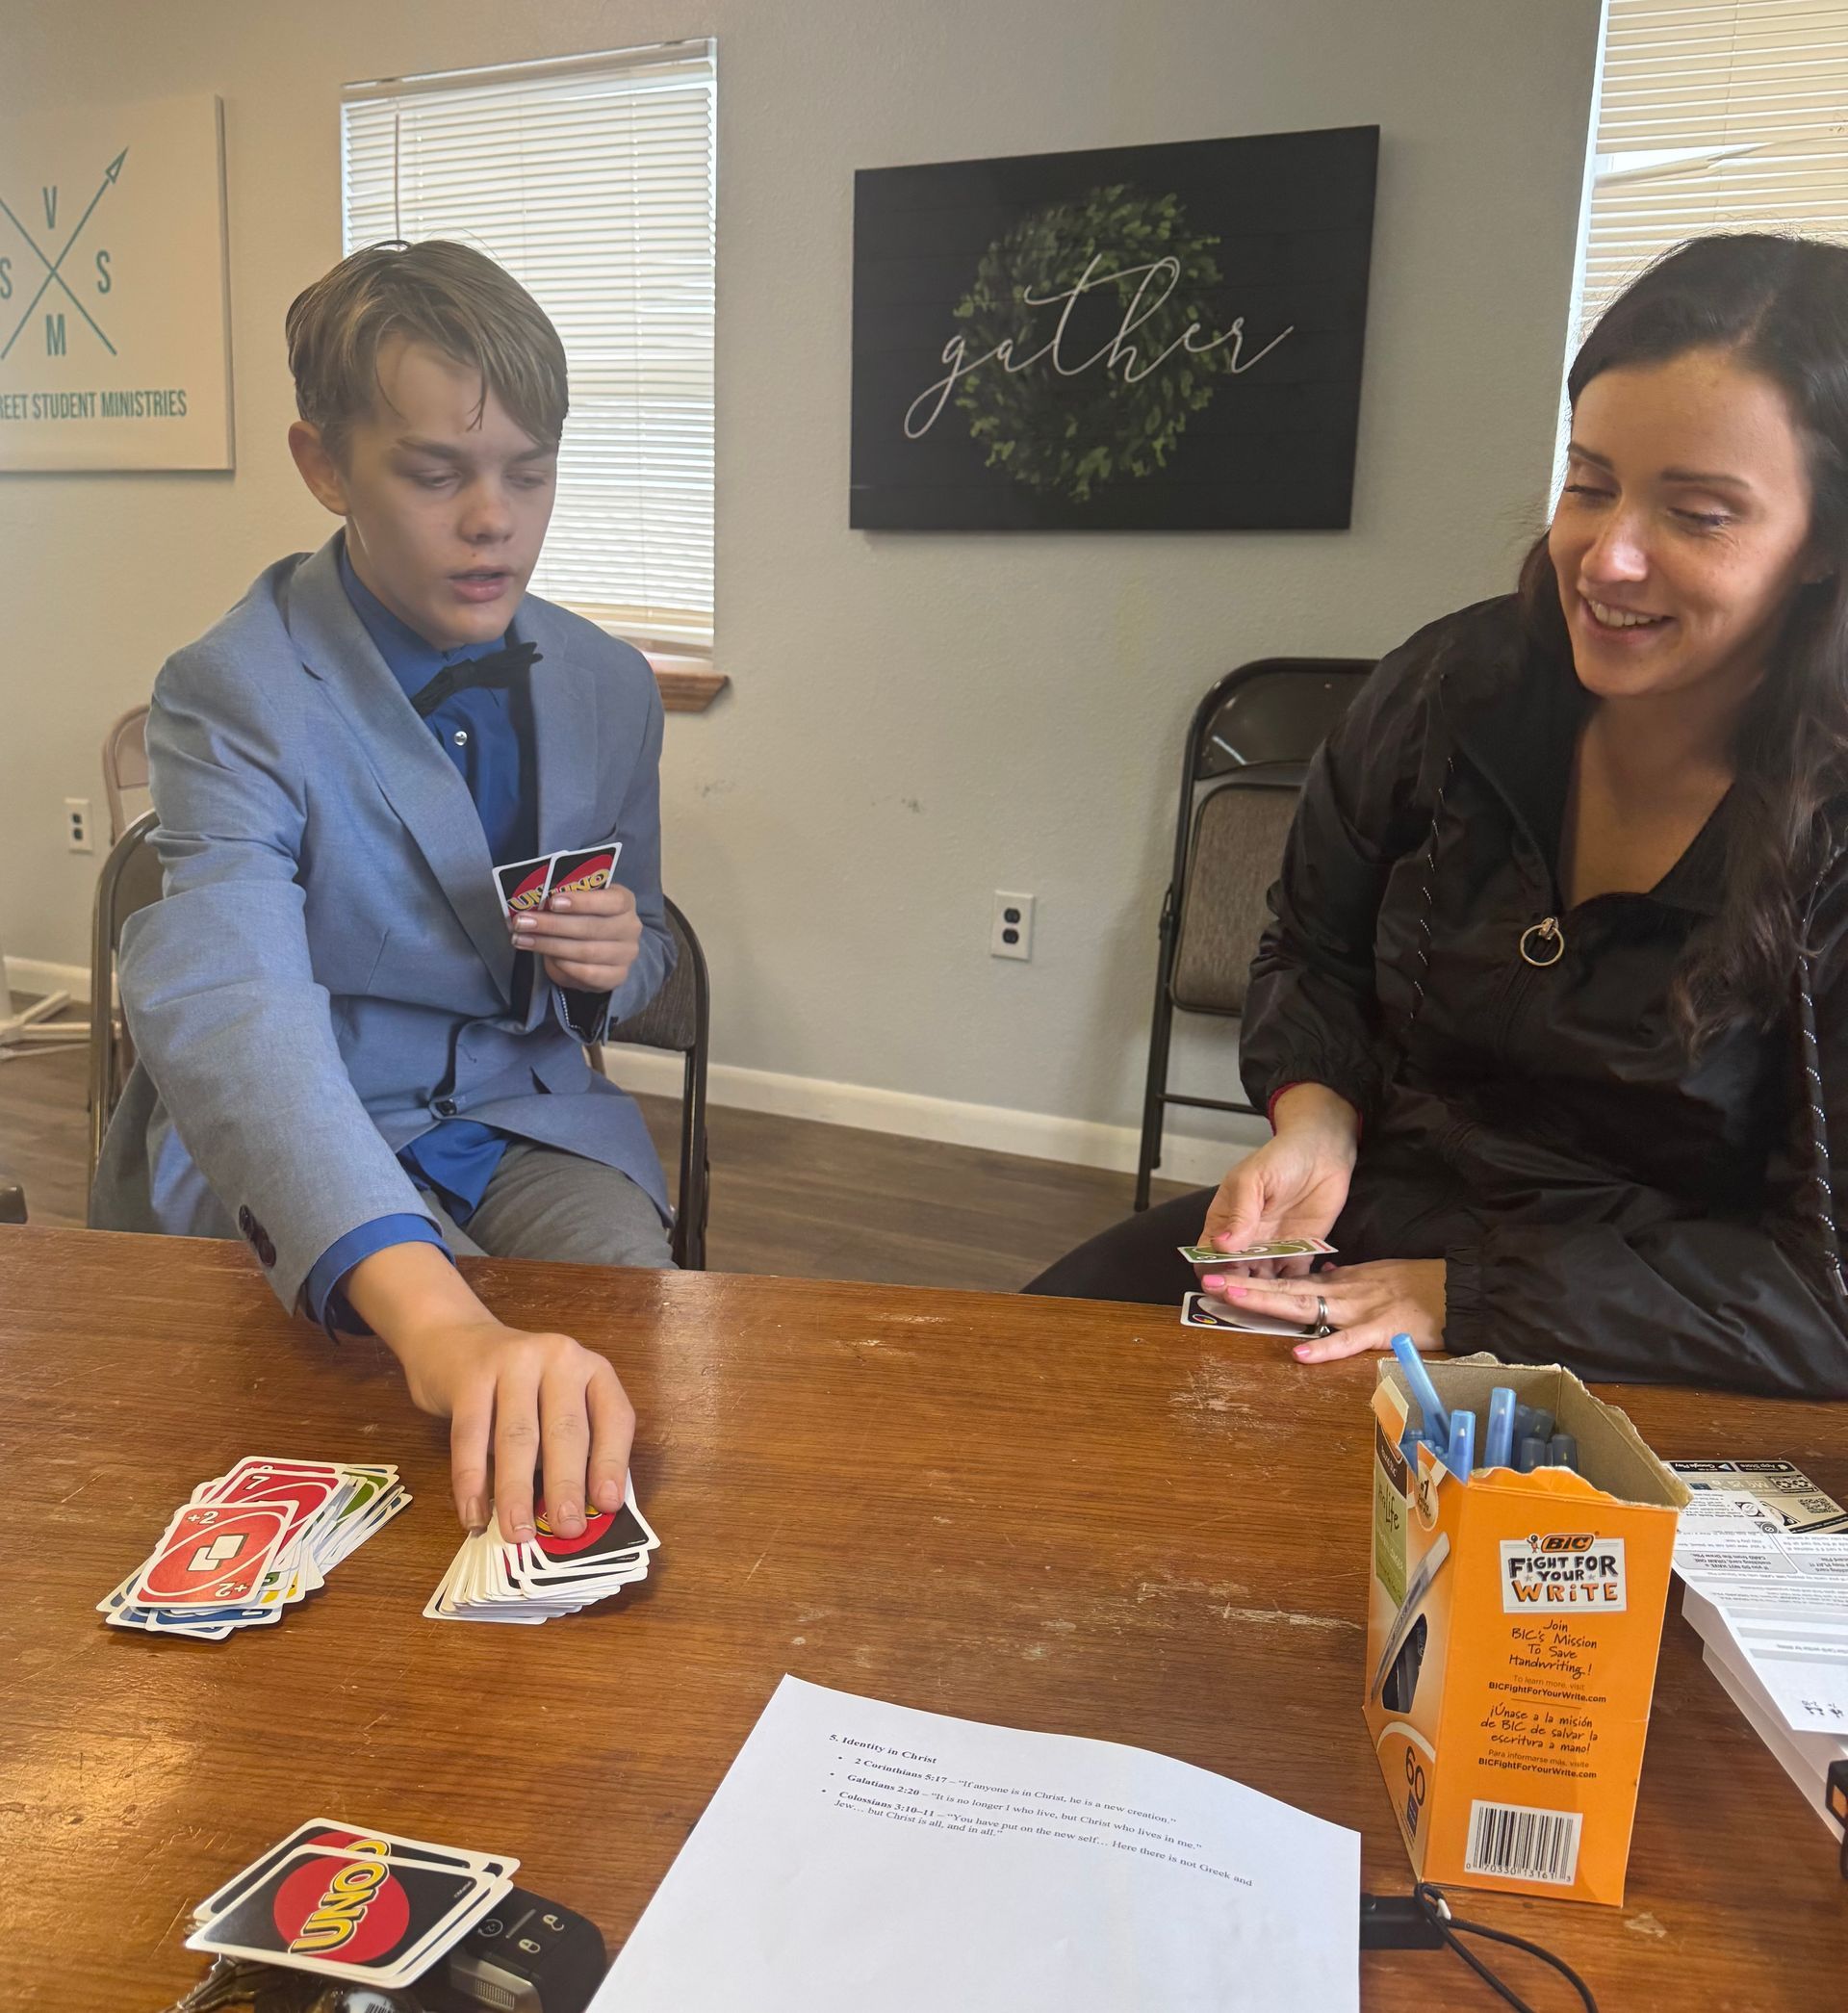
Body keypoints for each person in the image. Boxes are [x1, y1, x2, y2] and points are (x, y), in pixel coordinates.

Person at [1028, 233, 1848, 1400]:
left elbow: (1826, 1302)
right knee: (998, 1389)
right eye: (1590, 483)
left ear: (1823, 548)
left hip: (1660, 1339)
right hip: (1365, 1241)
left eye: (1700, 513)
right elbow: (1312, 947)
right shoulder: (1451, 689)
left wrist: (1468, 1294)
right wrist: (1316, 1121)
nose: (1607, 558)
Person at [90, 241, 675, 1537]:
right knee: (363, 1421)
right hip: (311, 1114)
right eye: (435, 472)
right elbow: (232, 1002)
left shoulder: (608, 684)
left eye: (531, 472)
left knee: (635, 1359)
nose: (496, 519)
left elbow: (649, 950)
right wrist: (445, 1319)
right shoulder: (233, 687)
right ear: (323, 465)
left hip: (532, 1117)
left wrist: (618, 948)